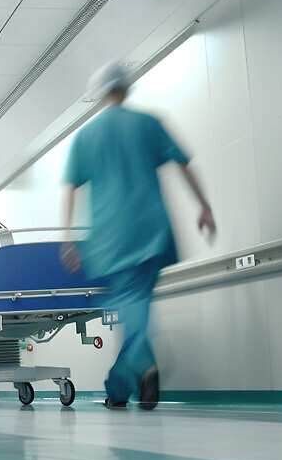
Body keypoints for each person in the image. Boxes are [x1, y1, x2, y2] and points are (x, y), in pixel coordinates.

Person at [60, 64, 215, 411]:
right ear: (126, 89)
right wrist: (204, 206)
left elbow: (70, 187)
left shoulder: (86, 136)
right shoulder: (148, 123)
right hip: (152, 233)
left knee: (133, 312)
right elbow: (183, 162)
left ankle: (137, 376)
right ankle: (124, 386)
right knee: (136, 311)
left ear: (98, 94)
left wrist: (67, 237)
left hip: (112, 240)